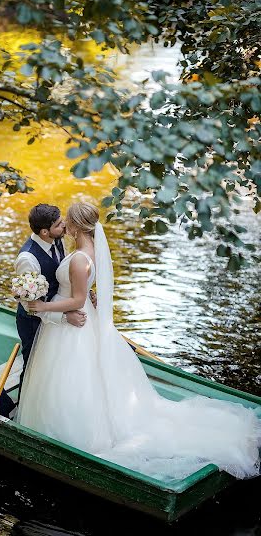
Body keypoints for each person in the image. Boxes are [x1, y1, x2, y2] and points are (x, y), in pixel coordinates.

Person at [16, 202, 261, 482]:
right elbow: (81, 288)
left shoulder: (81, 257)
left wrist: (42, 308)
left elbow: (78, 299)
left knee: (71, 378)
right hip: (73, 321)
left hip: (73, 323)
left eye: (66, 221)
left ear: (75, 225)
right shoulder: (85, 252)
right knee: (71, 377)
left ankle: (69, 432)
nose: (64, 226)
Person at [15, 204, 88, 396]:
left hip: (55, 311)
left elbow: (64, 277)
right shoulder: (27, 259)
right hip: (33, 322)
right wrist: (65, 318)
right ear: (44, 231)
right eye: (58, 224)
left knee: (53, 368)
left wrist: (86, 292)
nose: (64, 225)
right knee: (33, 370)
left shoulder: (57, 239)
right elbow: (31, 305)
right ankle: (23, 409)